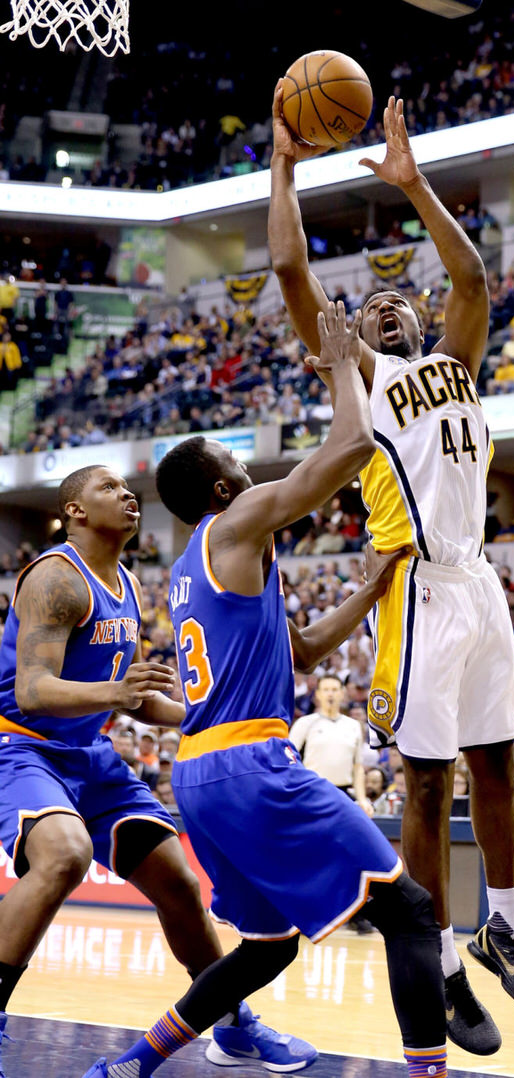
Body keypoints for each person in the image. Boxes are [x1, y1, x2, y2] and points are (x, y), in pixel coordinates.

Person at [79, 304, 448, 1078]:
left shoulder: (194, 570)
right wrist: (340, 367)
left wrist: (371, 588)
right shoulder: (240, 521)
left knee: (269, 944)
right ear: (225, 486)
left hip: (200, 773)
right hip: (252, 767)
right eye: (242, 468)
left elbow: (306, 649)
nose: (256, 477)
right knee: (410, 912)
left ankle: (128, 1068)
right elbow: (350, 446)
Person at [268, 87, 514, 1054]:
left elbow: (471, 280)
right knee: (427, 788)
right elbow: (291, 268)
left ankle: (505, 926)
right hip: (418, 589)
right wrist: (285, 164)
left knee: (499, 764)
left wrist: (413, 181)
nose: (387, 308)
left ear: (422, 322)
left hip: (481, 582)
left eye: (401, 302)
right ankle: (432, 950)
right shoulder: (356, 377)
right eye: (374, 305)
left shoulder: (459, 362)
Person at [0, 464, 314, 1076]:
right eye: (108, 488)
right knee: (62, 855)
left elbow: (140, 698)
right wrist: (115, 694)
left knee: (178, 881)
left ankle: (232, 1026)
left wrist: (205, 716)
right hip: (21, 745)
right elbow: (34, 690)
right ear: (75, 512)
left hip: (89, 753)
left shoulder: (126, 583)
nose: (127, 495)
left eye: (128, 487)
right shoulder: (55, 578)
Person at [289, 674, 373, 814]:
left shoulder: (353, 726)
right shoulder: (305, 724)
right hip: (312, 791)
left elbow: (357, 767)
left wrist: (362, 799)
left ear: (342, 693)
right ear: (318, 694)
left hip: (343, 793)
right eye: (326, 689)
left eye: (334, 689)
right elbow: (290, 761)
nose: (330, 694)